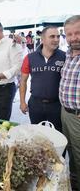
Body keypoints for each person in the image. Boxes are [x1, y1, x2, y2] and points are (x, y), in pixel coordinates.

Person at [19, 26, 65, 132]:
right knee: (38, 135)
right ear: (43, 39)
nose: (56, 39)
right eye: (52, 37)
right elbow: (23, 81)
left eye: (58, 36)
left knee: (58, 135)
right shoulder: (30, 58)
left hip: (57, 105)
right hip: (36, 104)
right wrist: (22, 102)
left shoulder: (64, 56)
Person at [59, 15, 80, 191]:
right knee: (71, 151)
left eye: (78, 33)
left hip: (77, 115)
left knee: (79, 155)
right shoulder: (68, 54)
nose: (74, 37)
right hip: (65, 113)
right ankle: (73, 183)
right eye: (70, 34)